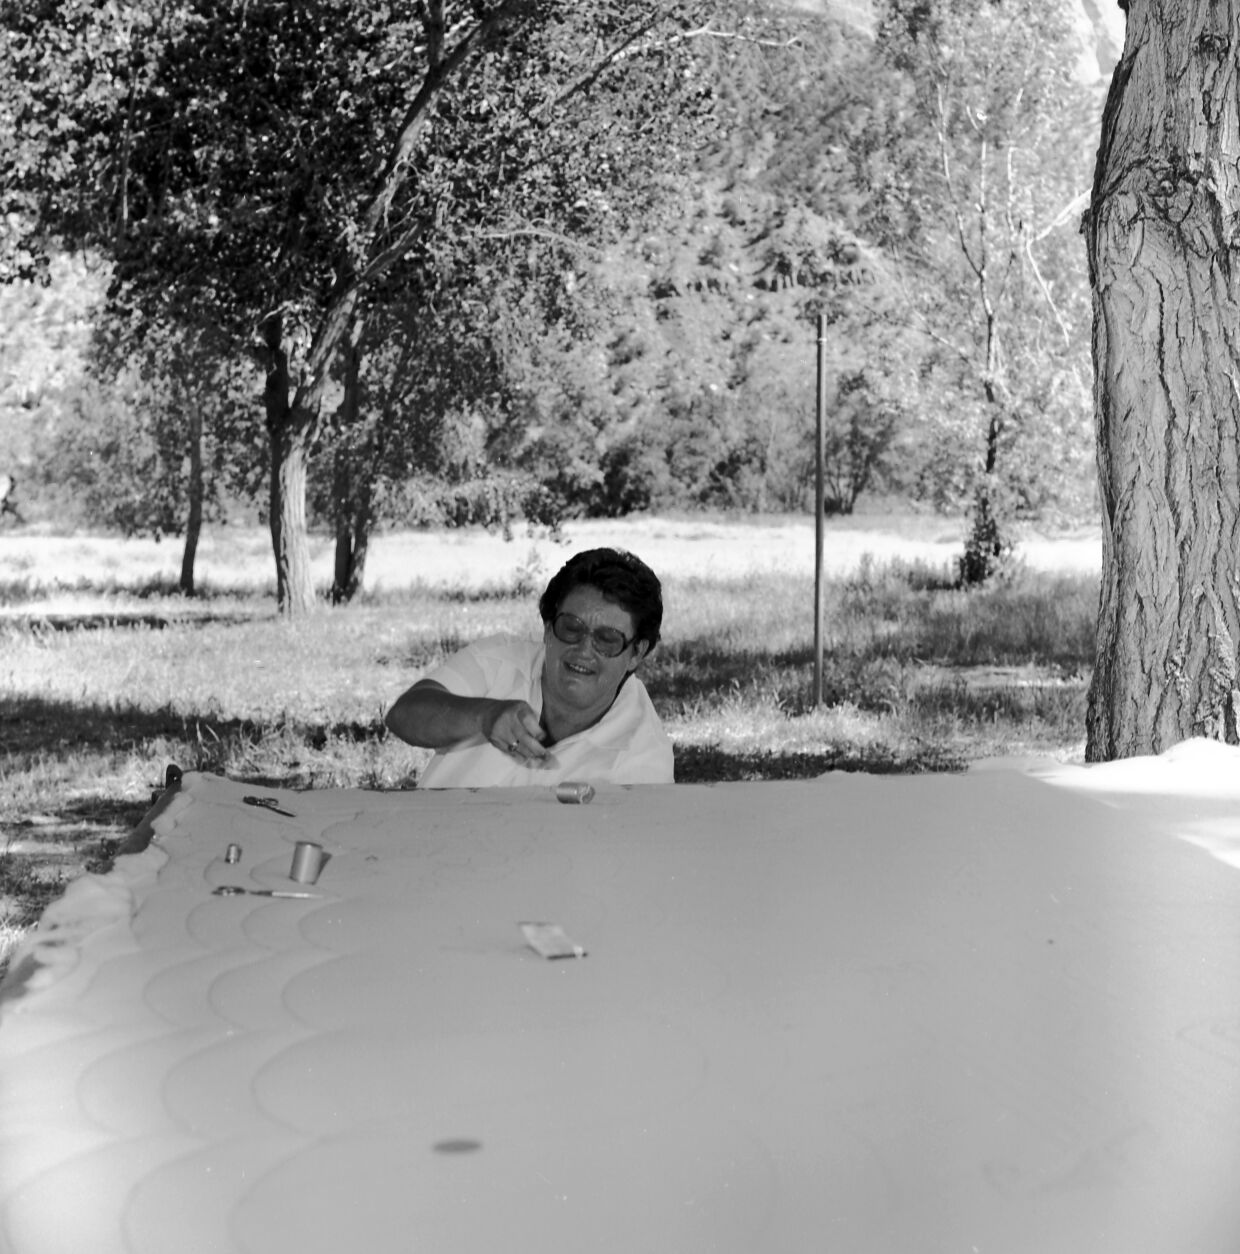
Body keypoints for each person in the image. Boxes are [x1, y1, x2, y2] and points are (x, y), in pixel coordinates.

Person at [385, 547, 673, 788]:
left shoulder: (644, 760)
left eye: (607, 639)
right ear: (548, 629)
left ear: (637, 653)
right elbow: (403, 716)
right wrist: (483, 716)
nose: (584, 650)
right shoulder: (498, 660)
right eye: (571, 628)